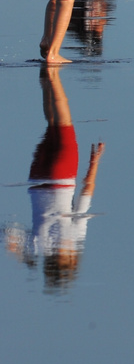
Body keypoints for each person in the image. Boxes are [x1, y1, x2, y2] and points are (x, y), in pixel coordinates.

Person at [5, 67, 103, 292]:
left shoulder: (74, 238)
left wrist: (95, 161)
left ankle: (53, 72)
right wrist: (23, 256)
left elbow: (87, 192)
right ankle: (46, 77)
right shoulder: (37, 247)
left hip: (62, 176)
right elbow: (9, 236)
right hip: (36, 179)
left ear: (71, 262)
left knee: (64, 122)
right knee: (52, 123)